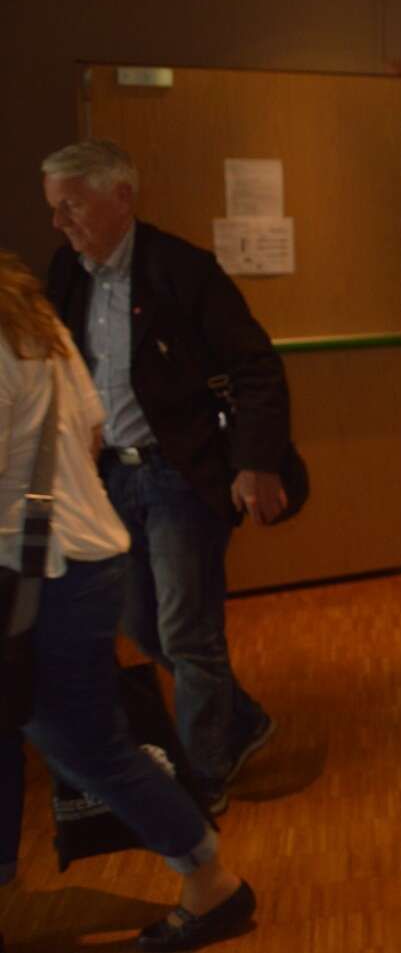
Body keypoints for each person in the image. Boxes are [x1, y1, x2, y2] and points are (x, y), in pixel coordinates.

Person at [1, 251, 257, 951]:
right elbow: (92, 428)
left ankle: (212, 881)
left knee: (85, 744)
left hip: (45, 571)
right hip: (68, 555)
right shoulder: (32, 315)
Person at [43, 140, 283, 816]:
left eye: (71, 206)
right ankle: (243, 721)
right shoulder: (66, 272)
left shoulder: (182, 270)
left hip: (179, 476)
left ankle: (204, 775)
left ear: (121, 196)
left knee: (186, 632)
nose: (60, 222)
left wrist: (255, 462)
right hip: (109, 480)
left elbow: (256, 366)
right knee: (143, 629)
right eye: (55, 209)